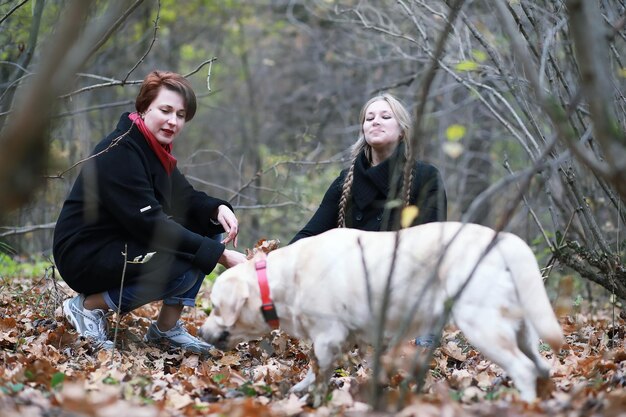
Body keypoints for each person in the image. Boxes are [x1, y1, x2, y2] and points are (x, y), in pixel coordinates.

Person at [53, 70, 247, 354]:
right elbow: (150, 224)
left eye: (180, 115)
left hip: (121, 242)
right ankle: (86, 307)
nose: (173, 121)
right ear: (144, 108)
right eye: (165, 110)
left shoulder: (154, 149)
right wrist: (222, 256)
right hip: (86, 253)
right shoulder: (119, 150)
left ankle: (165, 331)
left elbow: (186, 198)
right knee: (183, 262)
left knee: (208, 230)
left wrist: (218, 209)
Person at [290, 93, 447, 346]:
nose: (376, 122)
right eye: (369, 118)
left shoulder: (425, 177)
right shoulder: (345, 181)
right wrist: (273, 264)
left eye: (386, 116)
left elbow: (431, 249)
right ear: (363, 129)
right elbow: (309, 236)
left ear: (402, 131)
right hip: (353, 296)